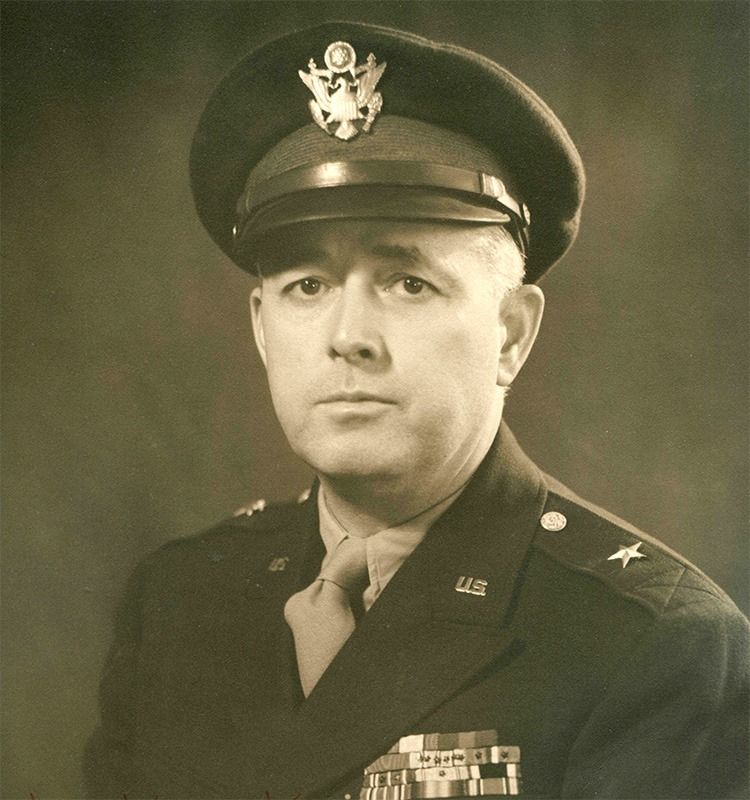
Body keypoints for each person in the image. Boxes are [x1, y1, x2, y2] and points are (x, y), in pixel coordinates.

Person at [84, 21, 749, 800]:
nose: (348, 338)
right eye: (308, 285)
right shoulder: (176, 601)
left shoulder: (654, 646)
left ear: (510, 334)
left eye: (409, 283)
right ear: (262, 329)